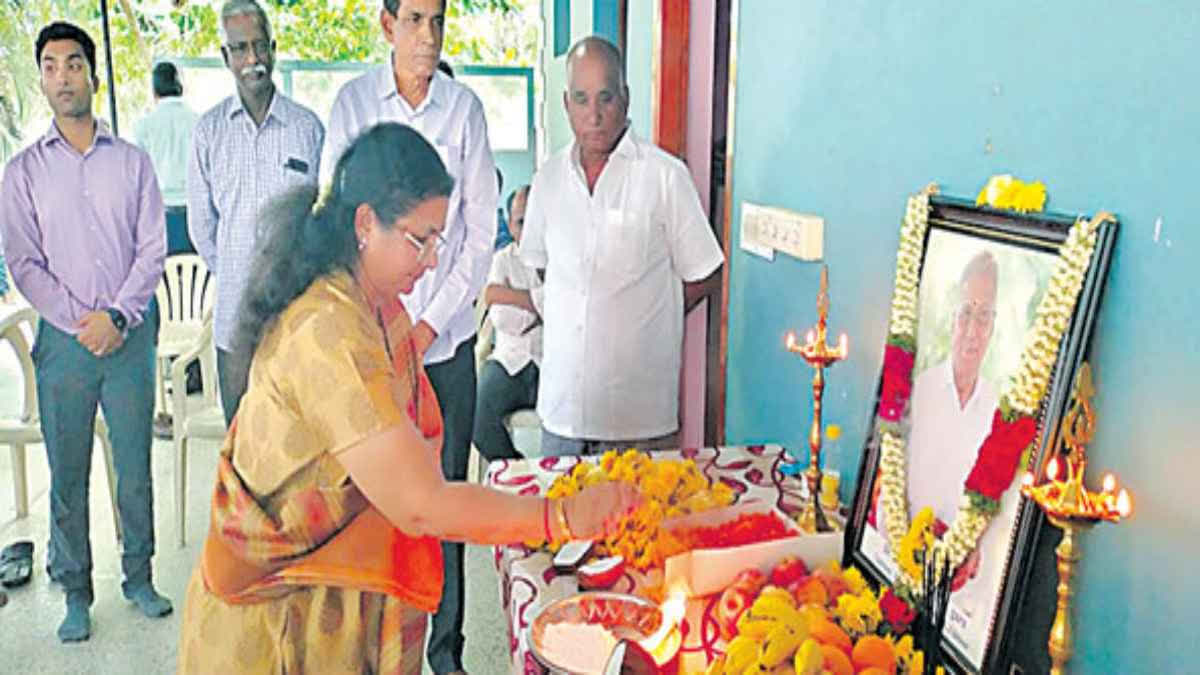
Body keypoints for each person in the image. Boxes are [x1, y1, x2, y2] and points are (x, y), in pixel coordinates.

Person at [177, 123, 638, 674]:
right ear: (366, 223)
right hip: (277, 621)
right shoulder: (326, 330)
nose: (431, 260)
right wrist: (560, 516)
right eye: (421, 239)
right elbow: (419, 503)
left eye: (439, 239)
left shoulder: (377, 306)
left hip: (338, 590)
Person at [325, 3, 498, 671]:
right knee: (371, 503)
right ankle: (369, 646)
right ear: (386, 24)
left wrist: (425, 325)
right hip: (369, 355)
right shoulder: (354, 105)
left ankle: (444, 650)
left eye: (438, 21)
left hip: (445, 349)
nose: (427, 36)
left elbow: (481, 234)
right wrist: (386, 327)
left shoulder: (465, 111)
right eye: (415, 20)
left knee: (446, 504)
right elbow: (338, 214)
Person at [0, 21, 170, 642]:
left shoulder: (132, 162)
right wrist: (82, 322)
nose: (63, 76)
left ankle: (140, 575)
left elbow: (151, 250)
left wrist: (118, 317)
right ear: (42, 79)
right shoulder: (22, 173)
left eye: (74, 64)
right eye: (50, 66)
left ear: (93, 75)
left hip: (127, 343)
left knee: (134, 466)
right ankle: (75, 588)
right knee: (67, 472)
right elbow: (23, 262)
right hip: (64, 346)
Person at [520, 36, 724, 456]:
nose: (593, 115)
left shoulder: (665, 177)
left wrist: (652, 313)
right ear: (565, 103)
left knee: (642, 521)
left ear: (626, 100)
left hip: (638, 418)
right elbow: (540, 265)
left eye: (605, 98)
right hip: (561, 412)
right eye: (581, 99)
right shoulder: (549, 180)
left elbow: (706, 273)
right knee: (557, 520)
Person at [187, 0, 325, 426]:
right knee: (242, 442)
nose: (253, 59)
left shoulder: (308, 128)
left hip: (296, 316)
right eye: (241, 49)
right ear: (225, 57)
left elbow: (323, 218)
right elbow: (202, 227)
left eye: (260, 46)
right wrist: (238, 271)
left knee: (299, 445)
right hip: (236, 321)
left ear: (274, 48)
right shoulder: (209, 132)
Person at [472, 185, 541, 461]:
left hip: (551, 363)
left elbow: (568, 308)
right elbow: (504, 319)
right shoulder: (501, 261)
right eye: (521, 222)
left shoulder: (563, 259)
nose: (528, 229)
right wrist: (541, 306)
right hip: (508, 361)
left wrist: (512, 297)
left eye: (535, 221)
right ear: (511, 226)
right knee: (479, 423)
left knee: (576, 422)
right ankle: (519, 471)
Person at [134, 61, 198, 255]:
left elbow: (140, 175)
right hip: (195, 212)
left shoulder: (144, 126)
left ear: (155, 91)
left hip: (160, 213)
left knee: (167, 279)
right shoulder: (198, 121)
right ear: (180, 87)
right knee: (196, 277)